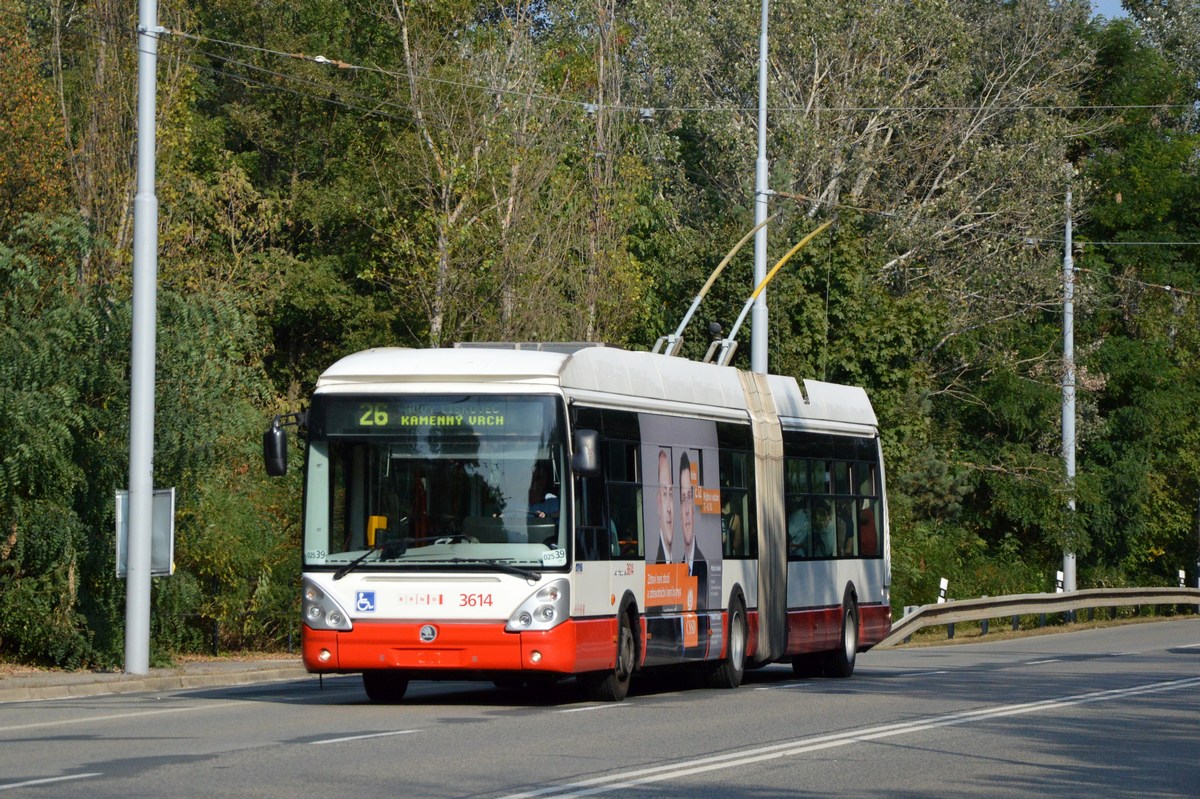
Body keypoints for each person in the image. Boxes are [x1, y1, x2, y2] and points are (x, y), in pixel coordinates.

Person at [679, 451, 707, 609]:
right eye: (683, 499)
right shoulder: (680, 565)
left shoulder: (702, 564)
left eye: (690, 498)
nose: (687, 510)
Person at [654, 448, 674, 563]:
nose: (669, 509)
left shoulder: (682, 559)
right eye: (664, 494)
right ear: (658, 502)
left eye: (670, 494)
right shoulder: (657, 562)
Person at [721, 491, 744, 556]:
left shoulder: (713, 516)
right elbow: (736, 545)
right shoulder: (736, 519)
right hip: (729, 558)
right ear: (729, 500)